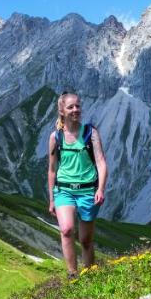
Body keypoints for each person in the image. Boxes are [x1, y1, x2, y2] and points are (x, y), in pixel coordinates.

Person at [47, 92, 107, 276]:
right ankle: (72, 275)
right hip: (64, 190)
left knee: (86, 240)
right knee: (66, 230)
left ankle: (89, 275)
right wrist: (51, 199)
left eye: (78, 106)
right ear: (62, 111)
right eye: (70, 107)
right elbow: (52, 169)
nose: (75, 110)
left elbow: (101, 162)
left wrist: (101, 189)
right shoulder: (55, 137)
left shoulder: (91, 133)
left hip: (88, 191)